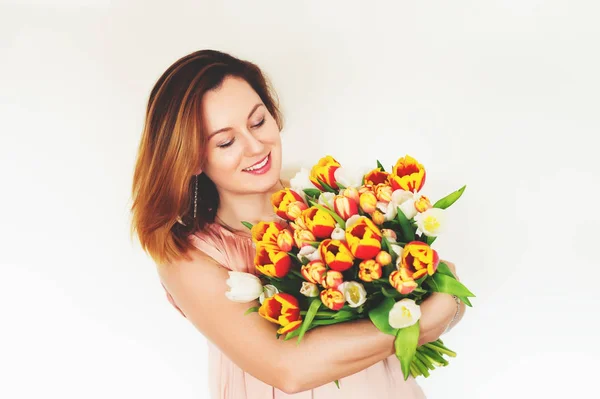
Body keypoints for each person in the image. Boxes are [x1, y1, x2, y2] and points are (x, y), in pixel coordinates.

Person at [130, 49, 466, 398]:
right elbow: (288, 370)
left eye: (258, 122)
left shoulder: (332, 198)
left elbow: (438, 306)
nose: (255, 146)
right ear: (193, 159)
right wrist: (415, 324)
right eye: (226, 141)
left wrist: (445, 304)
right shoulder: (188, 258)